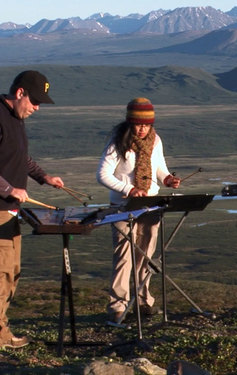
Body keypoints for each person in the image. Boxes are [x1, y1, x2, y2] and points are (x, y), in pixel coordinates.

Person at [0, 70, 64, 349]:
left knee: (10, 270)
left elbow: (20, 157)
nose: (37, 108)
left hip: (7, 208)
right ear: (20, 93)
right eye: (35, 101)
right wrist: (9, 189)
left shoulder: (14, 119)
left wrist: (44, 177)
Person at [97, 97, 180, 323]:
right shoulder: (118, 142)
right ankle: (118, 305)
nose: (142, 129)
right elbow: (102, 174)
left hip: (150, 204)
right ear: (130, 123)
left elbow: (159, 167)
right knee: (125, 255)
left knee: (146, 255)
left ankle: (143, 301)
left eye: (146, 124)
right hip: (123, 206)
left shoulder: (155, 140)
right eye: (138, 124)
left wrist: (167, 179)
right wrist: (129, 189)